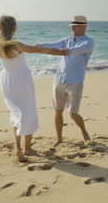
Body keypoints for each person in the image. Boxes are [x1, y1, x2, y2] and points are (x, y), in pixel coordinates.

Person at [0, 15, 69, 162]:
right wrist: (61, 52)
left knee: (16, 113)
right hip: (22, 80)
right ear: (14, 28)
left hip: (7, 80)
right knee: (28, 111)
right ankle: (27, 148)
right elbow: (39, 50)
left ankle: (17, 148)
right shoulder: (16, 45)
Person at [36, 15, 95, 147]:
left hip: (75, 82)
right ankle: (59, 138)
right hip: (59, 80)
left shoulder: (88, 42)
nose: (73, 28)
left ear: (84, 27)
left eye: (76, 26)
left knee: (73, 113)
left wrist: (52, 52)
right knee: (58, 111)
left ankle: (85, 133)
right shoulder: (67, 40)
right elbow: (52, 44)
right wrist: (37, 47)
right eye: (72, 26)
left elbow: (71, 51)